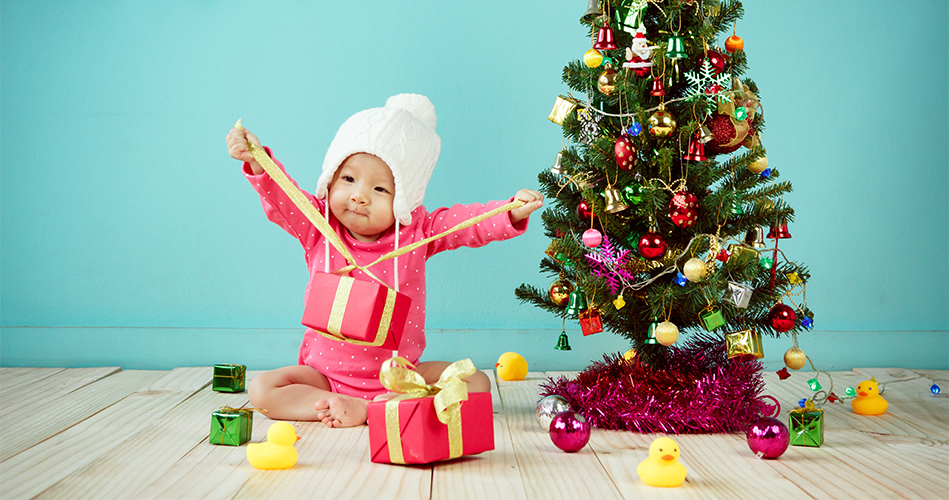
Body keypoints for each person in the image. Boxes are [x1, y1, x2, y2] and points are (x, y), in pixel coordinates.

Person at [225, 94, 543, 428]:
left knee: (476, 383)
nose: (359, 195)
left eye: (379, 189)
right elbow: (284, 196)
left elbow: (467, 225)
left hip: (401, 377)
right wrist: (259, 162)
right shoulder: (318, 226)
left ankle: (383, 407)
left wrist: (510, 211)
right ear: (331, 179)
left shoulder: (417, 233)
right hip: (323, 377)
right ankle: (336, 404)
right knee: (262, 388)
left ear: (403, 198)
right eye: (348, 179)